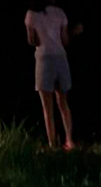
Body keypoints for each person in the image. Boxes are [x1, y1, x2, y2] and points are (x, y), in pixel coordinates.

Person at [24, 1, 82, 150]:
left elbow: (32, 41)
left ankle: (52, 144)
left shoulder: (31, 15)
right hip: (60, 58)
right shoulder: (60, 13)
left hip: (44, 60)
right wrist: (73, 33)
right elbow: (64, 41)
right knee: (63, 102)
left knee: (47, 107)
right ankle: (69, 140)